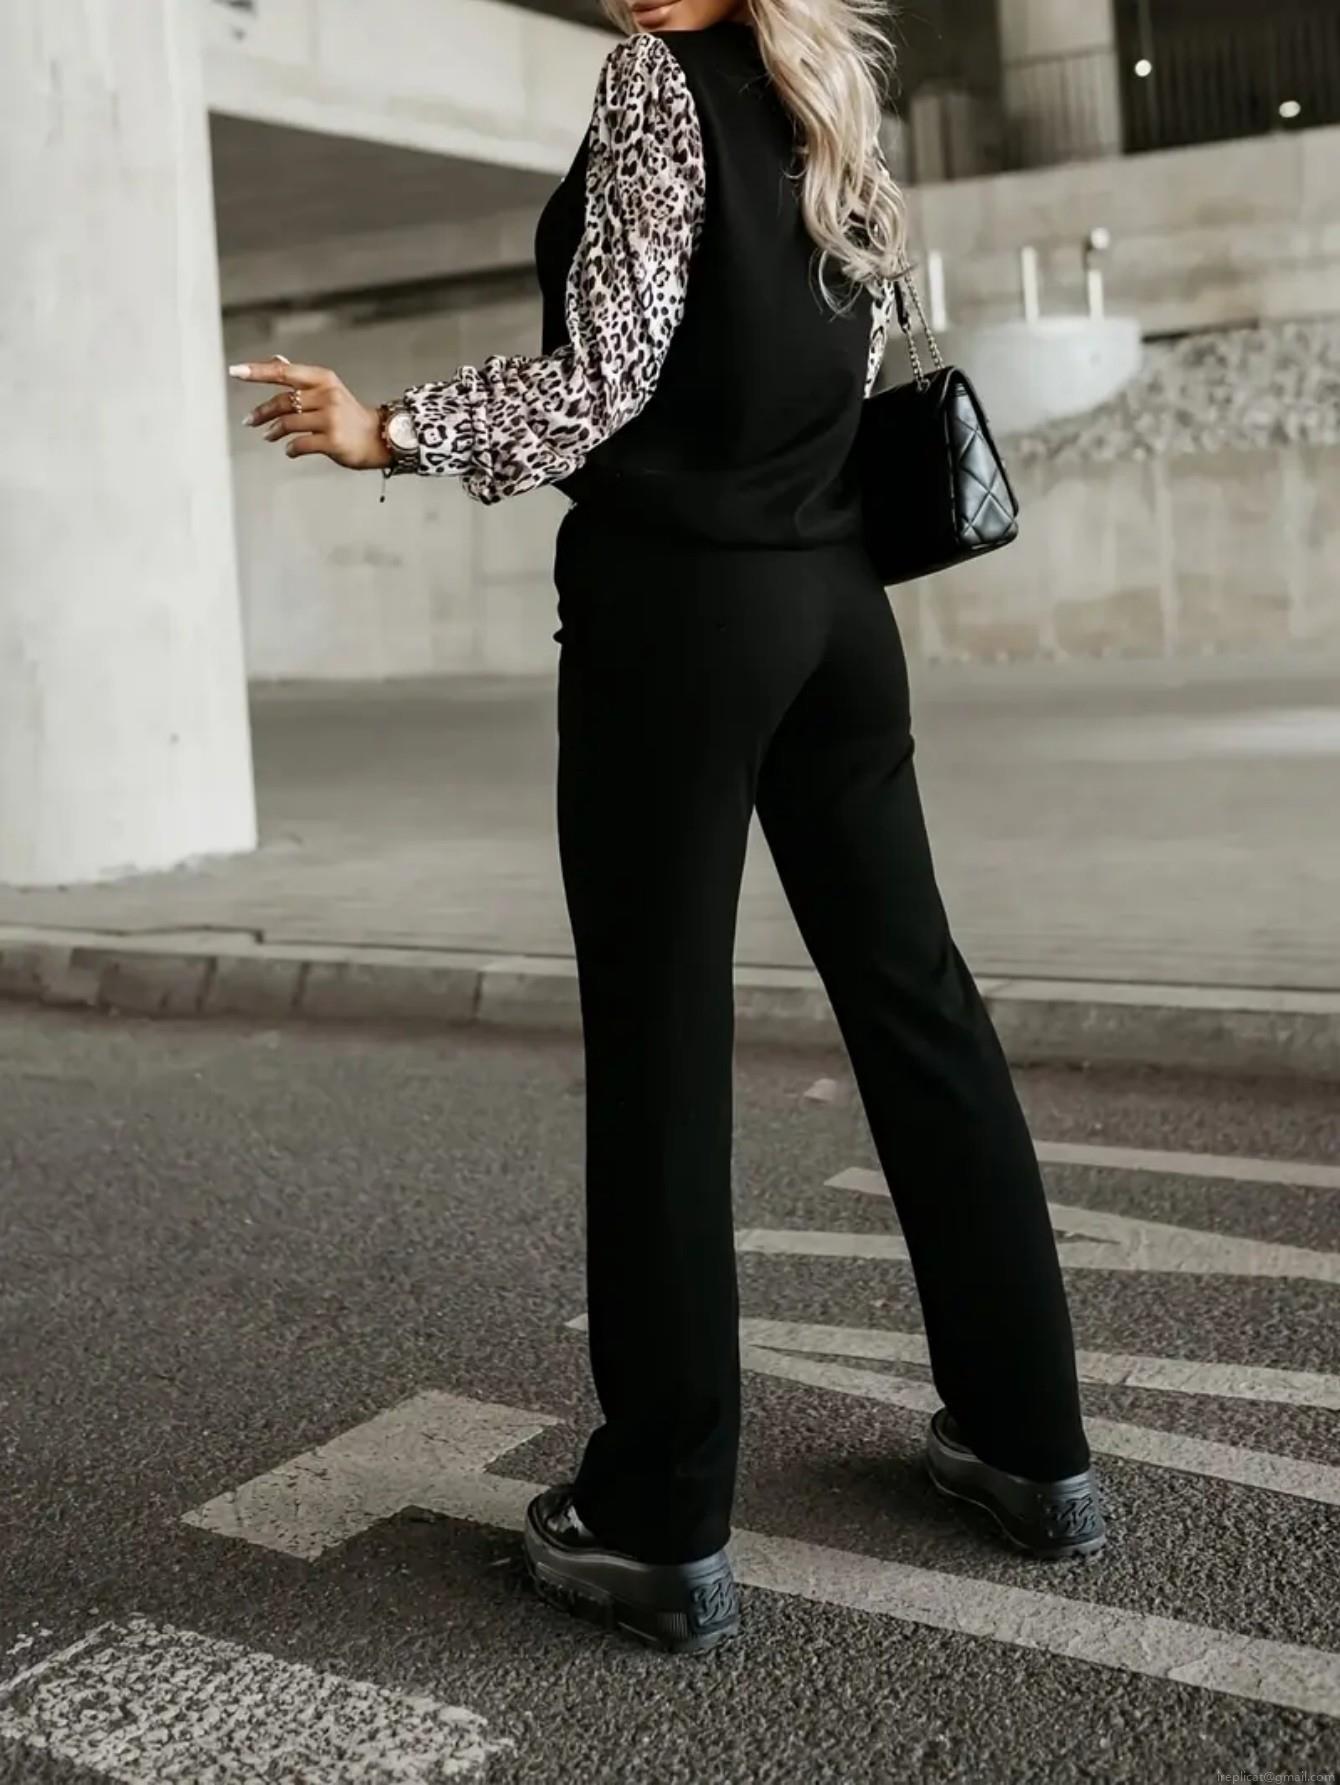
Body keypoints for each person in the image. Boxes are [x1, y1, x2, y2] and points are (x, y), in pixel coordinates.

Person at [230, 0, 1105, 1656]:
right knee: (919, 1006)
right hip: (838, 610)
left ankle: (658, 1517)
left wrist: (388, 430)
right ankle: (1030, 1442)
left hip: (681, 618)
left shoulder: (654, 82)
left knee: (661, 1040)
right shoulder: (819, 85)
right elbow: (846, 341)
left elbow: (603, 381)